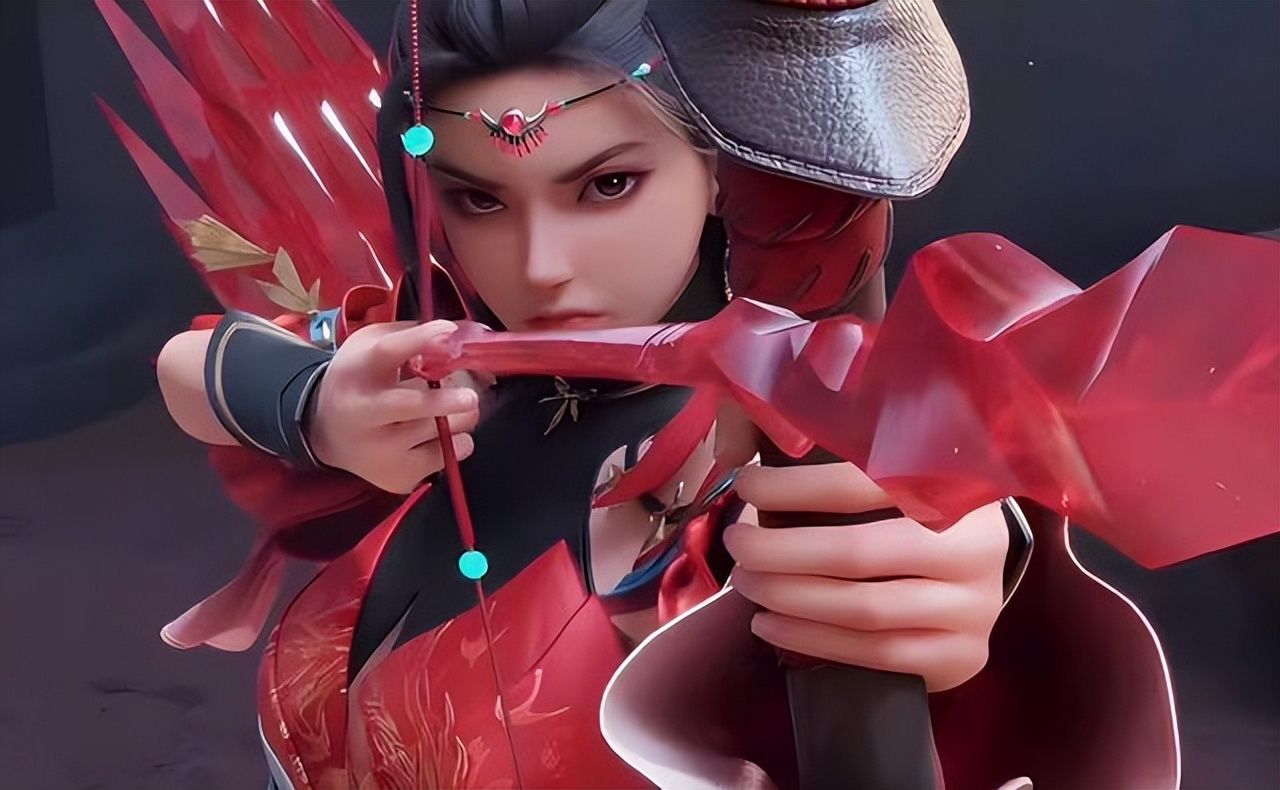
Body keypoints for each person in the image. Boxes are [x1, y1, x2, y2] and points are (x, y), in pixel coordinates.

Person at [132, 1, 1188, 787]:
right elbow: (192, 366)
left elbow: (911, 542)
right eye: (478, 199)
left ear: (721, 173)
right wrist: (315, 404)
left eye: (606, 185)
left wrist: (980, 570)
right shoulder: (439, 347)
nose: (540, 267)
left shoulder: (779, 430)